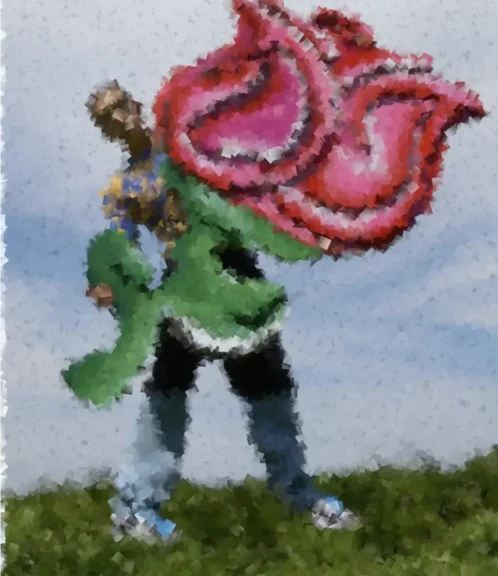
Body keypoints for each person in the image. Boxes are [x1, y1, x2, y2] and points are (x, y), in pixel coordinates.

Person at [84, 81, 361, 544]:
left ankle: (299, 497)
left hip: (237, 281)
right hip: (184, 289)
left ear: (135, 104)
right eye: (105, 117)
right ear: (104, 130)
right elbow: (120, 245)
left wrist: (314, 235)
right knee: (166, 391)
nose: (117, 118)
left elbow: (252, 200)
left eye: (119, 107)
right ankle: (136, 510)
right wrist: (108, 284)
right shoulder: (123, 187)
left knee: (269, 387)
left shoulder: (190, 147)